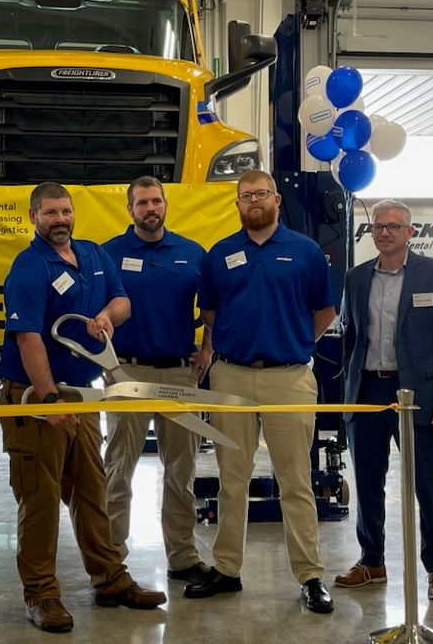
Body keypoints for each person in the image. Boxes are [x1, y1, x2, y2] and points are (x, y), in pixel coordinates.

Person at [0, 182, 166, 633]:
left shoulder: (93, 255)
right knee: (39, 499)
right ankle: (41, 594)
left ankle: (110, 579)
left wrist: (108, 316)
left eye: (65, 211)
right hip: (36, 398)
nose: (60, 220)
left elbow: (123, 301)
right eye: (50, 213)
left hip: (82, 395)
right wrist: (49, 399)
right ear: (34, 217)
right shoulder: (28, 268)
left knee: (92, 489)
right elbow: (30, 339)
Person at [186, 169, 336, 614]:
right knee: (233, 478)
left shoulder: (305, 251)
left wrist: (291, 342)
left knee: (296, 480)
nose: (254, 201)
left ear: (276, 200)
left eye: (261, 194)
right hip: (230, 376)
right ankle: (227, 569)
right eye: (246, 195)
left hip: (288, 377)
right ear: (237, 203)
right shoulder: (220, 254)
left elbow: (325, 310)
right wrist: (240, 343)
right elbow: (210, 312)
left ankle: (309, 575)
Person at [336, 199, 433, 601]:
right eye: (378, 227)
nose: (385, 232)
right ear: (371, 232)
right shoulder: (356, 278)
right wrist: (347, 394)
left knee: (427, 483)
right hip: (367, 393)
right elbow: (351, 338)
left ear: (411, 232)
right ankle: (371, 560)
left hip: (417, 395)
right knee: (368, 482)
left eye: (393, 226)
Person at [101, 176, 208, 585]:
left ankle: (183, 556)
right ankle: (112, 558)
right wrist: (107, 363)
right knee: (119, 468)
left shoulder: (191, 253)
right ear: (130, 209)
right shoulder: (108, 254)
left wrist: (207, 350)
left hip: (180, 371)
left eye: (156, 201)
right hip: (127, 372)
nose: (151, 208)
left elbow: (213, 307)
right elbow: (96, 312)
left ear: (166, 205)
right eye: (142, 202)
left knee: (182, 471)